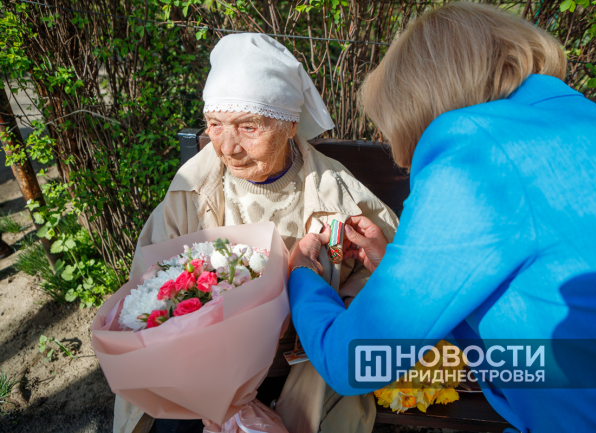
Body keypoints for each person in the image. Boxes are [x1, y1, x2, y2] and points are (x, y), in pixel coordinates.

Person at [287, 3, 596, 433]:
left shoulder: (474, 150)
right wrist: (395, 267)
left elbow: (357, 360)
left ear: (417, 103)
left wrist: (303, 277)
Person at [113, 34, 398, 433]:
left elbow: (385, 274)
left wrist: (348, 298)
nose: (228, 147)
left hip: (304, 364)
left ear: (290, 124)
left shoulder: (336, 192)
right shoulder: (190, 192)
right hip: (201, 367)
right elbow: (150, 291)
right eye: (215, 125)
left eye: (248, 127)